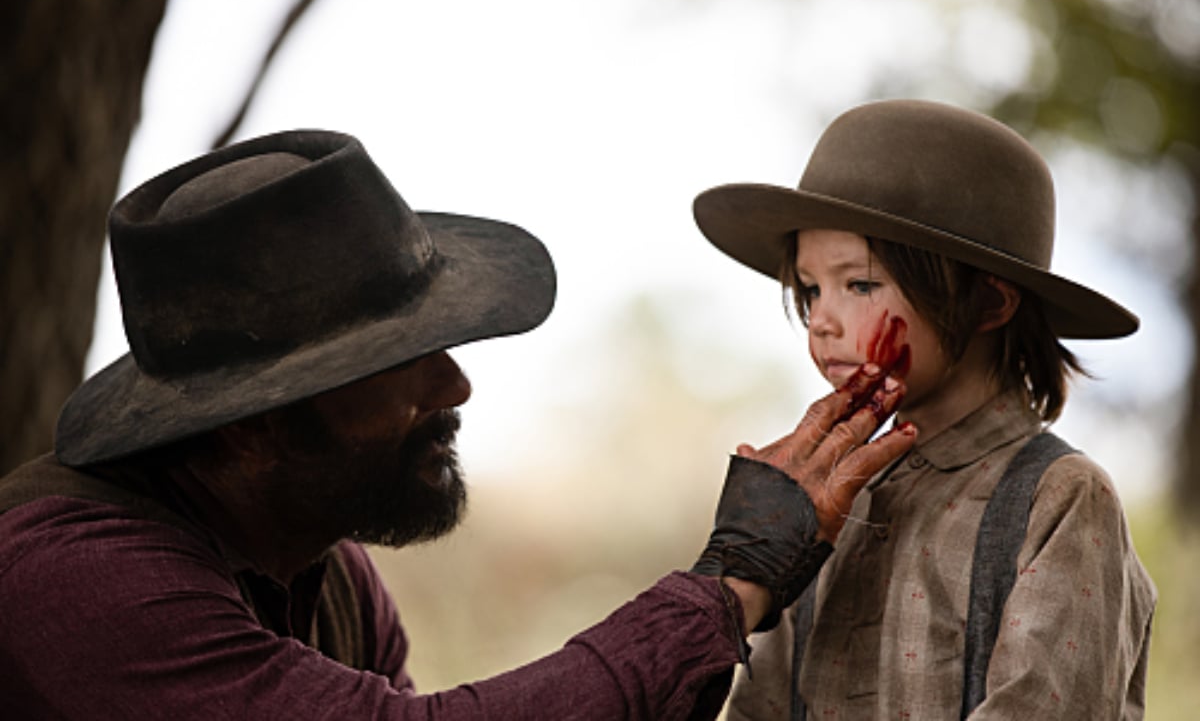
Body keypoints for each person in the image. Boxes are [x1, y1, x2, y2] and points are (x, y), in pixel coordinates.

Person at [0, 129, 917, 720]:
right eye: (401, 363)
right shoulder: (70, 578)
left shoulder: (327, 574)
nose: (457, 385)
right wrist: (729, 584)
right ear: (249, 428)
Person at [693, 99, 1157, 720]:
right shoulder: (834, 499)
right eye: (809, 289)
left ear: (988, 303)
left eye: (859, 284)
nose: (822, 320)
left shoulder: (1060, 498)